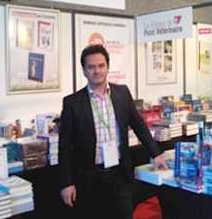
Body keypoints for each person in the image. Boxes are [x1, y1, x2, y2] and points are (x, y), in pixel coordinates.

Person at [59, 45, 167, 219]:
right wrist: (66, 182)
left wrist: (157, 153)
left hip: (119, 174)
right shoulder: (73, 103)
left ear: (107, 67)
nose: (97, 71)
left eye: (101, 66)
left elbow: (139, 125)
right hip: (89, 177)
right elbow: (64, 147)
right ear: (84, 71)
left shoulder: (122, 93)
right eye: (91, 67)